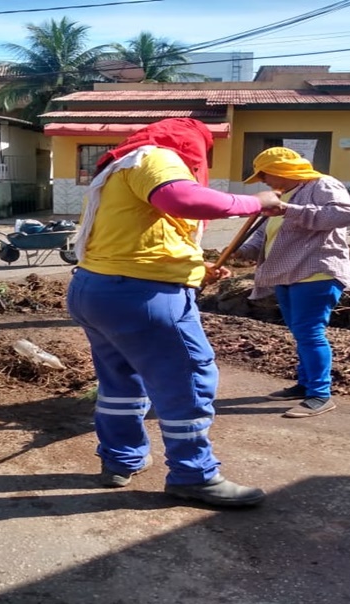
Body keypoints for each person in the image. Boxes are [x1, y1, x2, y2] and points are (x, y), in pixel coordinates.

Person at [67, 117, 283, 508]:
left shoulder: (123, 165)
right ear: (190, 145)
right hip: (141, 295)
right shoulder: (157, 157)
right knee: (188, 378)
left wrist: (198, 268)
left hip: (96, 289)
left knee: (120, 380)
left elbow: (144, 235)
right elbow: (180, 200)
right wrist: (257, 202)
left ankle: (120, 460)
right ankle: (194, 475)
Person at [236, 147, 350, 418]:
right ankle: (305, 385)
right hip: (287, 272)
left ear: (281, 171)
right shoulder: (281, 196)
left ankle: (320, 394)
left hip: (317, 271)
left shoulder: (322, 184)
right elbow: (267, 234)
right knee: (301, 332)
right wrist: (242, 250)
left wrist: (289, 209)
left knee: (310, 331)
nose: (263, 181)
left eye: (265, 174)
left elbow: (344, 214)